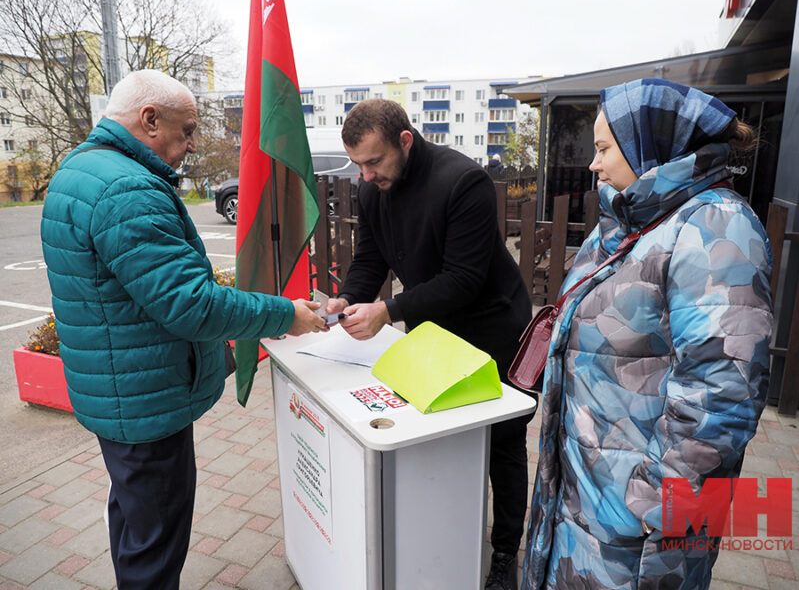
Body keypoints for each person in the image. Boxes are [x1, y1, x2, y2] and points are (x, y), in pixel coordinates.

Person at [40, 69, 326, 589]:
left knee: (135, 522)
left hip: (117, 390)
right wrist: (288, 315)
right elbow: (189, 303)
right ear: (149, 119)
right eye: (187, 129)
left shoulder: (82, 170)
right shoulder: (128, 188)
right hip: (145, 401)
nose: (192, 144)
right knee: (156, 544)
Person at [521, 79, 773, 589]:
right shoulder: (627, 223)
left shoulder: (716, 228)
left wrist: (656, 506)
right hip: (585, 494)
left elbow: (723, 396)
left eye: (604, 147)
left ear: (648, 144)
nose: (594, 163)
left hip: (636, 525)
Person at [326, 98, 533, 590]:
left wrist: (388, 312)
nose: (366, 175)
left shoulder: (463, 181)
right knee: (438, 429)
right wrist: (348, 299)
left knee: (501, 443)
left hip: (492, 327)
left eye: (374, 162)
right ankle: (444, 527)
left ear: (405, 140)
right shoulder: (374, 189)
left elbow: (463, 278)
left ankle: (505, 552)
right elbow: (371, 259)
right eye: (357, 165)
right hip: (433, 326)